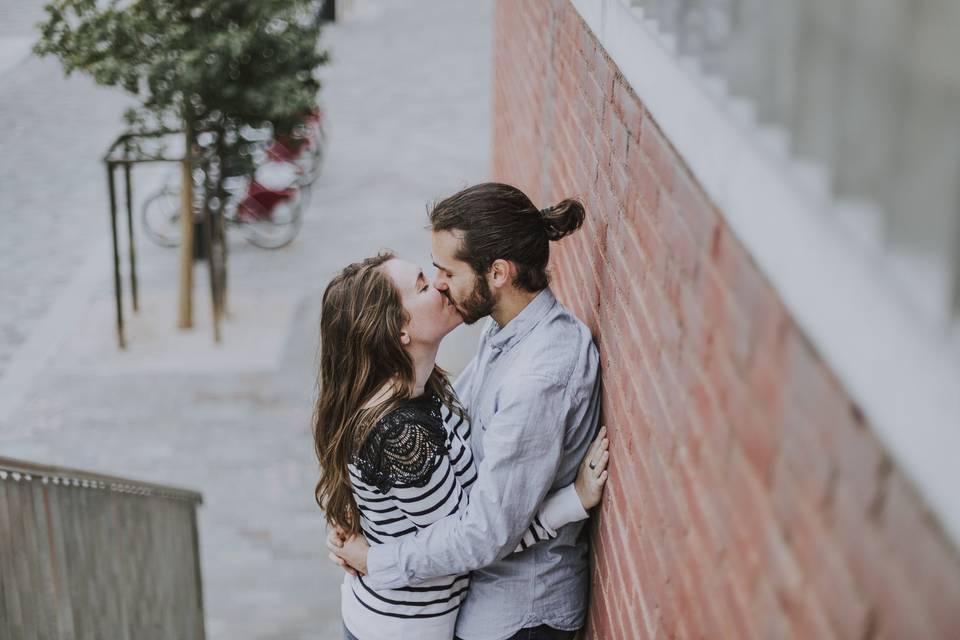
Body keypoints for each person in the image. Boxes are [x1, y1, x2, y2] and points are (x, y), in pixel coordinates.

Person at [328, 183, 603, 640]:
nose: (439, 283)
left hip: (517, 616)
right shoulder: (503, 331)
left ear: (497, 272)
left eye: (444, 271)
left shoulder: (538, 377)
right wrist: (361, 522)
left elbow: (484, 531)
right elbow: (454, 428)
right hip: (467, 604)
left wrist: (376, 558)